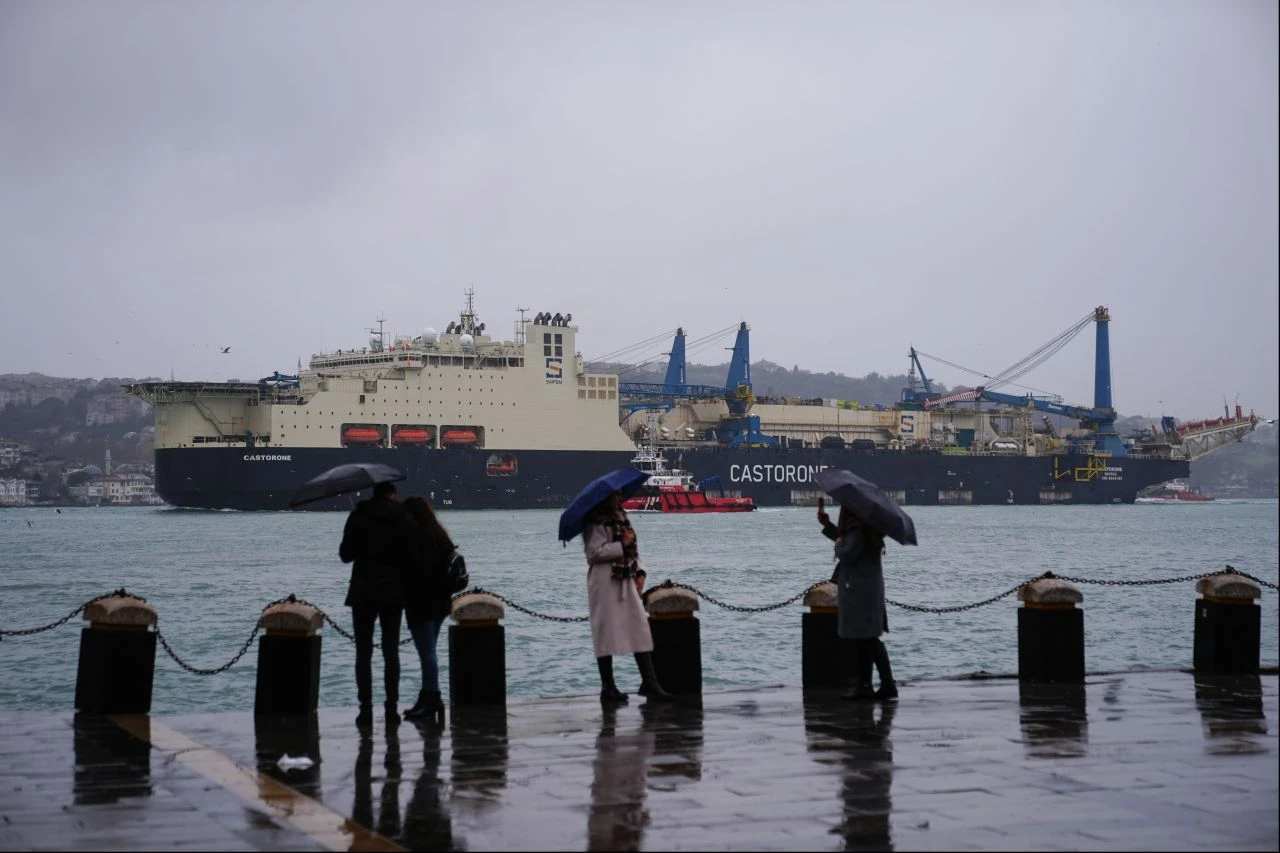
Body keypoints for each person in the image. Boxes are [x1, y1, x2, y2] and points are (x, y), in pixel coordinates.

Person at [339, 480, 418, 727]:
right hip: (393, 593)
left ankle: (365, 709)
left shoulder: (358, 515)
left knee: (363, 653)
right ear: (392, 494)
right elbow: (413, 556)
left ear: (373, 493)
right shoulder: (404, 516)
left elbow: (345, 555)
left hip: (363, 592)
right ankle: (391, 708)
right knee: (391, 651)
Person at [582, 490, 672, 703]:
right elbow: (593, 553)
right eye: (615, 495)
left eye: (620, 494)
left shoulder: (622, 516)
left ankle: (649, 683)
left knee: (639, 628)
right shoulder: (594, 522)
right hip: (604, 582)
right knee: (605, 633)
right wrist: (620, 545)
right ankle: (608, 687)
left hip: (625, 578)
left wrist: (641, 572)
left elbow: (633, 549)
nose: (619, 498)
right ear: (605, 497)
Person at [817, 497, 897, 701]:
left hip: (860, 593)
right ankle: (871, 685)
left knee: (867, 641)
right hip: (868, 592)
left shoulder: (860, 533)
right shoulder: (867, 531)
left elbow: (846, 552)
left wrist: (838, 543)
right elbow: (848, 543)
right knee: (867, 640)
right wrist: (828, 526)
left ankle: (878, 685)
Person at [401, 495, 455, 723]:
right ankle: (428, 697)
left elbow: (415, 570)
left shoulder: (415, 538)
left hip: (421, 601)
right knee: (429, 651)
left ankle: (432, 698)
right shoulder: (440, 535)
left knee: (427, 654)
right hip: (441, 602)